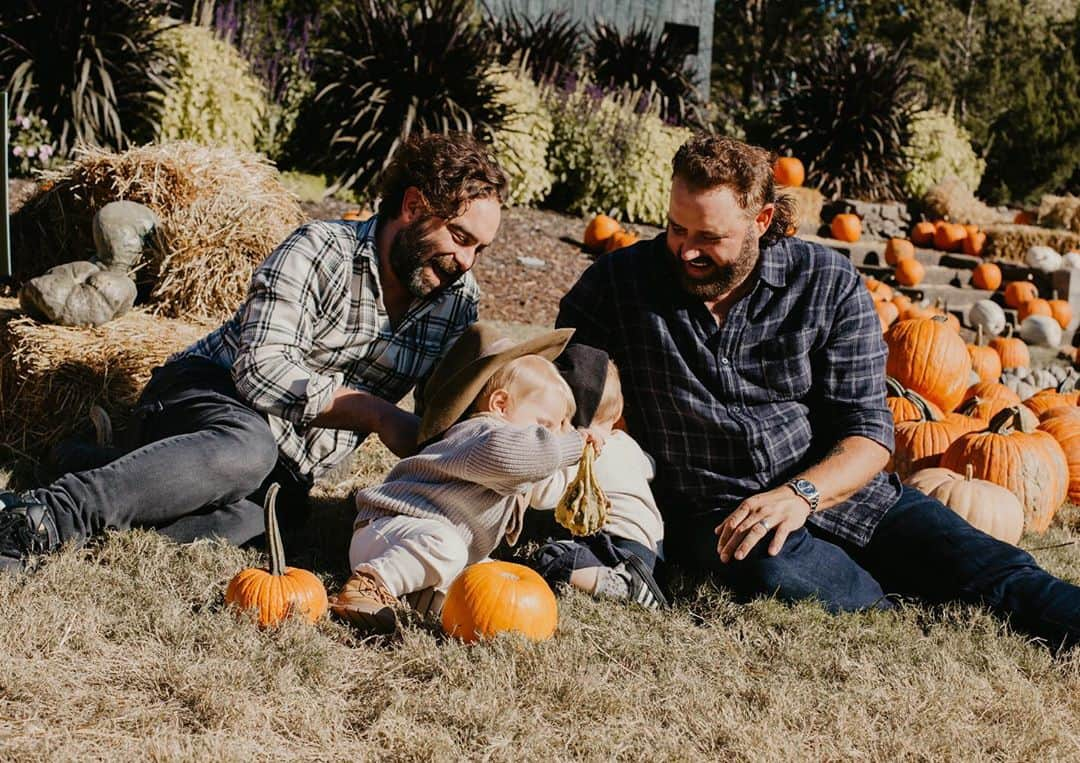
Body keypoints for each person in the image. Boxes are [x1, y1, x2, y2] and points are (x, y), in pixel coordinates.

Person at [556, 132, 1080, 651]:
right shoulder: (621, 282)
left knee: (997, 571)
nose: (687, 249)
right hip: (724, 516)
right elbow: (562, 376)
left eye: (709, 237)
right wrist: (585, 415)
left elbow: (869, 432)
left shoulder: (826, 282)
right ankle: (889, 606)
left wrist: (799, 496)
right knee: (777, 570)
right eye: (676, 227)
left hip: (848, 495)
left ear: (760, 221)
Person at [0, 132, 507, 571]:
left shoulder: (457, 300)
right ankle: (47, 513)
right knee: (245, 449)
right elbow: (260, 372)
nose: (466, 261)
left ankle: (92, 462)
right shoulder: (319, 248)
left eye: (479, 250)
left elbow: (448, 406)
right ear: (414, 206)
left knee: (267, 518)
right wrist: (374, 414)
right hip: (209, 395)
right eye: (460, 237)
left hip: (287, 462)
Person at [329, 322, 603, 633]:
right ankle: (369, 584)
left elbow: (545, 489)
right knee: (447, 547)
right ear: (499, 405)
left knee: (483, 575)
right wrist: (570, 445)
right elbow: (520, 455)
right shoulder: (483, 435)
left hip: (420, 543)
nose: (552, 437)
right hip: (390, 529)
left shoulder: (515, 453)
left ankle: (419, 602)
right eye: (544, 426)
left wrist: (582, 465)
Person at [527, 344, 668, 610]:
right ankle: (641, 578)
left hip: (615, 544)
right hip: (653, 548)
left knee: (552, 555)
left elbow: (542, 498)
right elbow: (651, 469)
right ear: (618, 412)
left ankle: (627, 586)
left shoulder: (583, 452)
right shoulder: (628, 444)